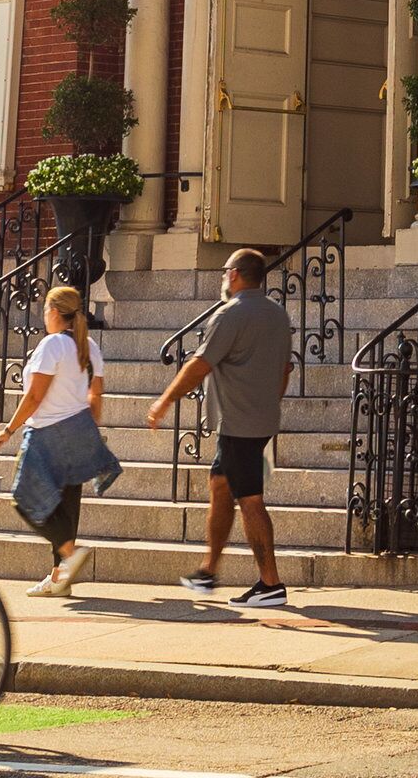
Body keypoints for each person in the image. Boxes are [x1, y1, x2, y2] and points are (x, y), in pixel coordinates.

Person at [144, 247, 290, 608]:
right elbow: (285, 370)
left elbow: (199, 365)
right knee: (221, 485)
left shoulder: (230, 314)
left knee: (250, 499)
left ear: (236, 275)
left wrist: (164, 401)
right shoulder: (278, 314)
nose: (223, 277)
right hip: (257, 420)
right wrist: (268, 403)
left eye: (226, 271)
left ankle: (270, 584)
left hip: (240, 423)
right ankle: (208, 571)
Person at [0, 283, 120, 598]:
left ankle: (68, 554)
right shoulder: (88, 345)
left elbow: (36, 395)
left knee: (26, 501)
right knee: (64, 506)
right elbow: (96, 394)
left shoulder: (51, 345)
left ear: (53, 311)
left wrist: (8, 430)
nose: (43, 315)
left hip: (48, 433)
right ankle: (60, 578)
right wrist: (88, 428)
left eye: (45, 309)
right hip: (78, 430)